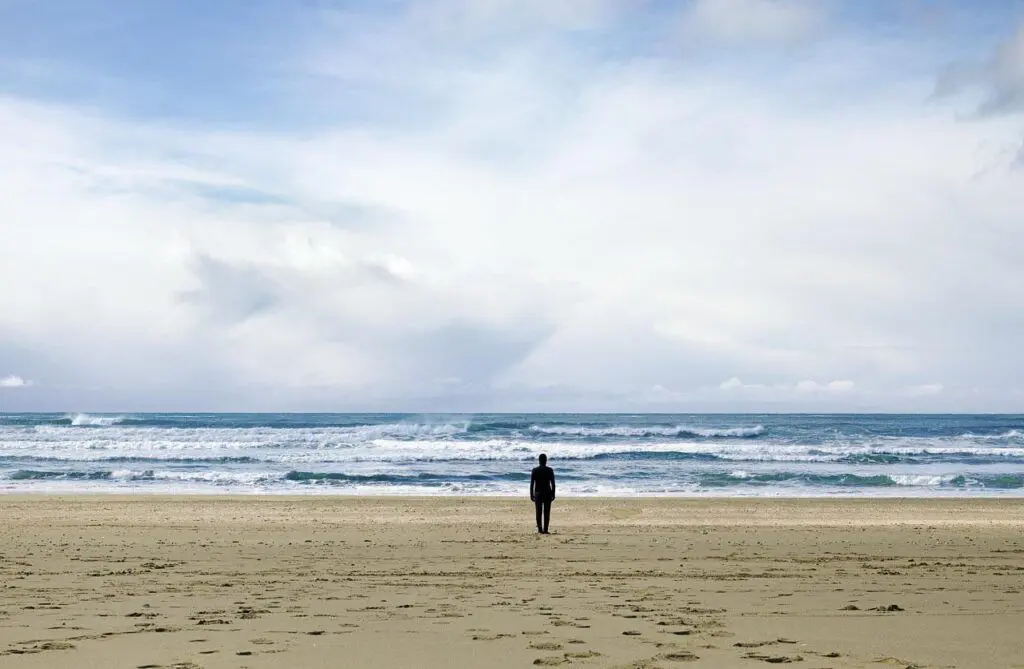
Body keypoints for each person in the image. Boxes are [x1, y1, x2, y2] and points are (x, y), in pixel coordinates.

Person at [530, 453, 556, 534]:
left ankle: (540, 529)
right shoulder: (550, 470)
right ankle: (546, 530)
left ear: (539, 461)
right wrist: (553, 494)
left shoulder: (535, 470)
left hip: (538, 493)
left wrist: (531, 494)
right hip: (547, 492)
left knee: (538, 511)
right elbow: (553, 484)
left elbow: (532, 484)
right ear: (546, 461)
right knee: (546, 512)